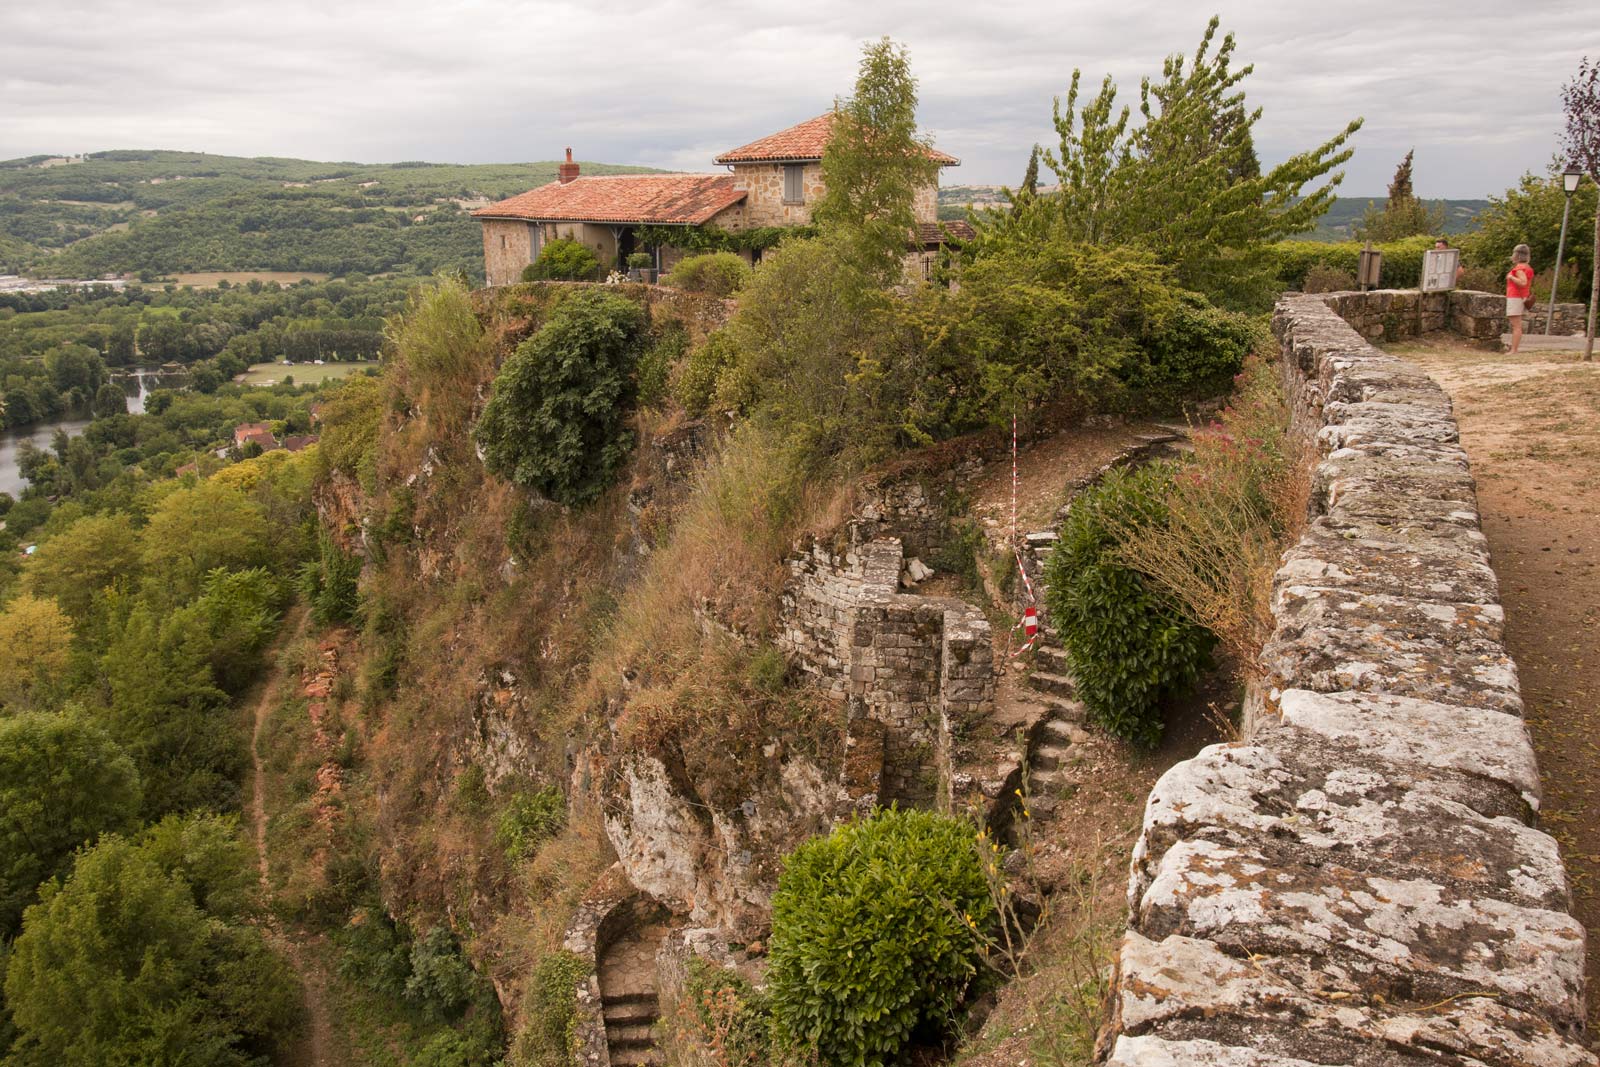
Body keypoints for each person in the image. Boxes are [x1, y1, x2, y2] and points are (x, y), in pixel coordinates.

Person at [1506, 244, 1535, 354]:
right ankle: (1514, 348)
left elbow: (1523, 282)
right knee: (1517, 325)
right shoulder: (1527, 268)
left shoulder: (1519, 268)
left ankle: (1514, 350)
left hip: (1515, 297)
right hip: (1522, 296)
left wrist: (1511, 277)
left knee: (1516, 326)